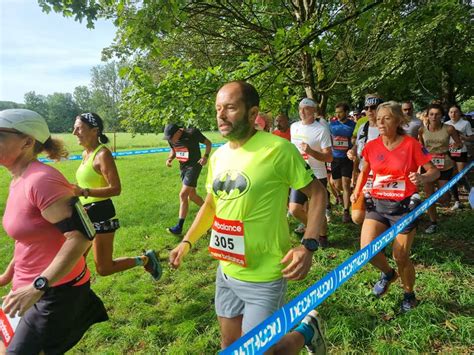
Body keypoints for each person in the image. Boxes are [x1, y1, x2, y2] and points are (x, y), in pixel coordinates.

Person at [169, 81, 327, 353]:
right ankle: (307, 330)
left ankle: (306, 331)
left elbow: (318, 193)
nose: (220, 115)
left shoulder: (278, 149)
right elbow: (210, 205)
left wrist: (309, 244)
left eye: (230, 107)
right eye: (218, 108)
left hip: (265, 275)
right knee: (230, 345)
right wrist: (187, 241)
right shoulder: (218, 157)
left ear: (253, 113)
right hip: (227, 271)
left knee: (261, 352)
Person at [0, 109, 108, 353]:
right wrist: (8, 275)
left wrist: (37, 286)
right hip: (24, 287)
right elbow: (29, 238)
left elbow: (80, 238)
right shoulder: (18, 178)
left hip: (54, 292)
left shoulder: (42, 181)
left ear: (27, 142)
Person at [351, 102, 439, 312]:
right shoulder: (372, 145)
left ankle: (409, 294)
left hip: (404, 207)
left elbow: (433, 172)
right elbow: (365, 171)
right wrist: (357, 189)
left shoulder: (411, 145)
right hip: (378, 204)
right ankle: (389, 274)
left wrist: (421, 176)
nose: (380, 122)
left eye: (387, 118)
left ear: (399, 121)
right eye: (378, 118)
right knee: (367, 251)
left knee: (400, 256)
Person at [72, 113, 161, 279]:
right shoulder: (86, 154)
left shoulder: (102, 155)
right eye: (74, 128)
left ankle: (146, 260)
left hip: (101, 212)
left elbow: (115, 189)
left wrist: (84, 191)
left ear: (94, 131)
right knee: (75, 261)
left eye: (79, 128)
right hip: (84, 213)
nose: (74, 132)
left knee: (104, 268)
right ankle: (79, 294)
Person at [289, 98, 333, 247]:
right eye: (300, 108)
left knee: (316, 210)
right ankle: (314, 228)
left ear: (314, 111)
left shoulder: (321, 130)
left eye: (306, 108)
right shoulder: (294, 127)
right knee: (294, 209)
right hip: (299, 173)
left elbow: (329, 157)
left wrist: (311, 151)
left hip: (317, 175)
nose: (302, 111)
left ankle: (323, 236)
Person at [418, 104, 462, 234]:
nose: (434, 117)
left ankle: (443, 200)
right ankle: (433, 222)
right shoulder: (422, 130)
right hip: (428, 166)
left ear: (442, 116)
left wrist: (456, 147)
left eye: (437, 114)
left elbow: (458, 144)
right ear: (428, 115)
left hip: (445, 165)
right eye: (431, 114)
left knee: (444, 199)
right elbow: (420, 147)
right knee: (428, 196)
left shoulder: (449, 129)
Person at [164, 123, 212, 235]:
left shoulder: (192, 133)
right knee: (192, 196)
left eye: (171, 137)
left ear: (178, 132)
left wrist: (205, 157)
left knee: (183, 195)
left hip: (195, 166)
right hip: (183, 167)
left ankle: (179, 227)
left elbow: (208, 143)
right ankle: (211, 212)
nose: (170, 140)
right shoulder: (171, 139)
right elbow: (174, 150)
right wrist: (170, 158)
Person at [347, 94, 383, 224]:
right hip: (364, 175)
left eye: (373, 107)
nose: (369, 111)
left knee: (380, 214)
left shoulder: (387, 128)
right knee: (357, 217)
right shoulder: (363, 127)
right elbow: (357, 147)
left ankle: (374, 232)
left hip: (382, 178)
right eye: (366, 108)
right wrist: (352, 152)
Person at [329, 102, 356, 223]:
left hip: (346, 158)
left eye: (340, 112)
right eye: (336, 112)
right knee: (337, 185)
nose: (338, 115)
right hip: (335, 158)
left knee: (345, 184)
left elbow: (355, 140)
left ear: (346, 112)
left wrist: (353, 149)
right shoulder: (332, 125)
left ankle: (346, 211)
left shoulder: (353, 125)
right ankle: (342, 196)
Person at [444, 105, 473, 210]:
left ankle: (472, 195)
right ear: (448, 114)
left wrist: (463, 137)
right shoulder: (445, 124)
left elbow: (471, 137)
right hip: (449, 152)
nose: (453, 114)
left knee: (461, 176)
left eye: (455, 112)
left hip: (461, 151)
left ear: (460, 113)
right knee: (451, 176)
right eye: (451, 112)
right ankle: (457, 201)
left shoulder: (465, 123)